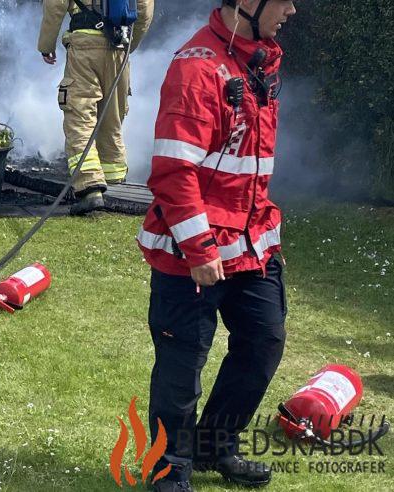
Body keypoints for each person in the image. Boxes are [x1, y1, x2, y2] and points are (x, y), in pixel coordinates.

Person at [137, 1, 297, 491]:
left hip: (251, 245)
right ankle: (170, 469)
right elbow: (173, 171)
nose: (291, 10)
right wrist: (202, 250)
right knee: (182, 365)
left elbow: (247, 171)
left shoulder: (259, 62)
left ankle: (213, 446)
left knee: (263, 342)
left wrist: (264, 241)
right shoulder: (196, 68)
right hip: (192, 251)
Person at [38, 0, 155, 215]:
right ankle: (114, 183)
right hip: (119, 46)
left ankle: (90, 187)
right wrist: (129, 44)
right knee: (111, 116)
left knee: (80, 115)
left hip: (84, 46)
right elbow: (145, 10)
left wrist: (46, 45)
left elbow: (55, 4)